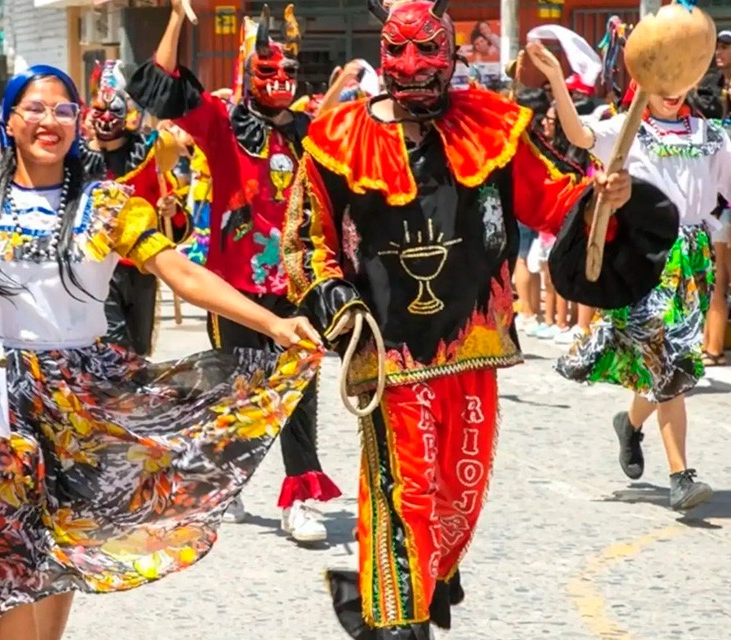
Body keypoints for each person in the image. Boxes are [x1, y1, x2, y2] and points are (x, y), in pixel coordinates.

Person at [0, 65, 322, 640]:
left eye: (62, 110)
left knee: (57, 550)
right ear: (9, 121)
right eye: (35, 108)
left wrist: (273, 323)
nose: (49, 121)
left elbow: (181, 274)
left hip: (78, 404)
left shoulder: (109, 205)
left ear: (78, 124)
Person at [283, 2, 660, 638]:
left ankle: (389, 594)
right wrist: (332, 301)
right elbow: (306, 239)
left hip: (474, 347)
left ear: (452, 54)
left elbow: (558, 200)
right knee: (409, 496)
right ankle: (396, 617)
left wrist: (606, 198)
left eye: (427, 50)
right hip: (389, 355)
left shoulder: (494, 128)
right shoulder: (337, 137)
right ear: (381, 55)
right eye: (399, 51)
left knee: (458, 497)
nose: (412, 65)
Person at [128, 0, 342, 542]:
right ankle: (228, 481)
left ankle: (301, 495)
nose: (279, 79)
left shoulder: (311, 132)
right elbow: (164, 83)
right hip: (234, 287)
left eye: (289, 70)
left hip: (296, 282)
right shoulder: (223, 124)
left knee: (299, 389)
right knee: (237, 390)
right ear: (247, 69)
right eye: (267, 68)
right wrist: (177, 17)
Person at [529, 38, 725, 511]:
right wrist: (557, 78)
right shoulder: (629, 129)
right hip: (646, 255)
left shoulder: (715, 136)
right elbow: (577, 136)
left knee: (667, 365)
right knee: (671, 362)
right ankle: (681, 474)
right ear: (643, 85)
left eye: (681, 80)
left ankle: (631, 424)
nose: (672, 91)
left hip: (693, 257)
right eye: (663, 82)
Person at [78, 59, 190, 356]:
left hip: (142, 265)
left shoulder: (149, 154)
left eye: (112, 110)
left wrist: (171, 210)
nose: (104, 117)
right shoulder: (77, 159)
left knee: (139, 347)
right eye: (98, 110)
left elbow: (172, 212)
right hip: (96, 265)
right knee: (113, 344)